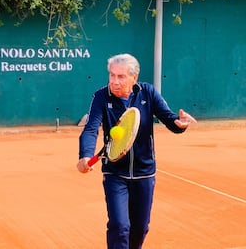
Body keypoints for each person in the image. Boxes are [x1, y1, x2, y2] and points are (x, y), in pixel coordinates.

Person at [77, 53, 197, 249]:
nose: (115, 81)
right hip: (115, 172)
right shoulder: (101, 96)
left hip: (144, 173)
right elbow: (91, 128)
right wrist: (85, 155)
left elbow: (170, 119)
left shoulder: (148, 93)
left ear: (134, 77)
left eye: (121, 76)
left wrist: (181, 124)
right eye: (112, 75)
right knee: (119, 226)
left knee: (140, 228)